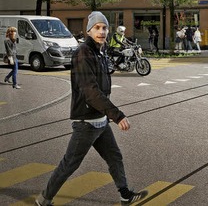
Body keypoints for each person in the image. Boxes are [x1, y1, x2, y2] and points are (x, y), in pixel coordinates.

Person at [35, 11, 147, 206]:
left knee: (114, 156)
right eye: (97, 28)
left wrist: (107, 115)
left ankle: (125, 194)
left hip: (100, 120)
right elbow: (90, 92)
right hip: (86, 121)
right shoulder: (83, 53)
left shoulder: (100, 52)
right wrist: (117, 115)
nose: (102, 31)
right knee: (70, 164)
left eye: (104, 28)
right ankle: (44, 200)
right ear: (89, 31)